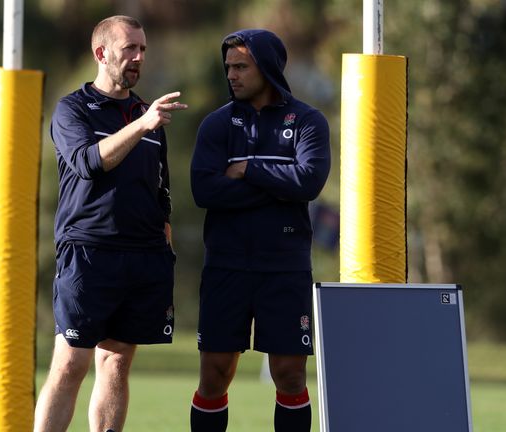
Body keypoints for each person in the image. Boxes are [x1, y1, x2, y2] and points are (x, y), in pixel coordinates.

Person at [34, 15, 187, 432]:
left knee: (116, 363)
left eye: (143, 49)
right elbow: (88, 163)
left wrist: (165, 223)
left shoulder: (146, 112)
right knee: (70, 363)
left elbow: (161, 182)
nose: (138, 58)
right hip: (88, 252)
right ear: (101, 54)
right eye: (129, 50)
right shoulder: (73, 109)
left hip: (142, 256)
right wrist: (142, 125)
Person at [189, 29, 331, 431]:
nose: (231, 75)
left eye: (241, 67)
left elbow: (308, 182)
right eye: (228, 67)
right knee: (215, 374)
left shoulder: (307, 122)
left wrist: (249, 170)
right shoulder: (217, 125)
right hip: (226, 266)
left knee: (288, 374)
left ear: (266, 68)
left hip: (285, 267)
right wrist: (276, 186)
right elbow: (204, 190)